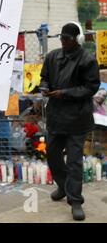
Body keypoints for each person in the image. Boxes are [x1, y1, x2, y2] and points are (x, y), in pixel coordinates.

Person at [40, 21, 100, 221]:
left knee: (74, 162)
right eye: (62, 38)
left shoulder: (87, 60)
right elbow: (44, 77)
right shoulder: (52, 57)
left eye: (68, 39)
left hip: (77, 119)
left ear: (77, 40)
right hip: (56, 117)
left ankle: (75, 200)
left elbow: (90, 87)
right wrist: (44, 87)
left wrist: (64, 93)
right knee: (52, 155)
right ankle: (64, 186)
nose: (64, 42)